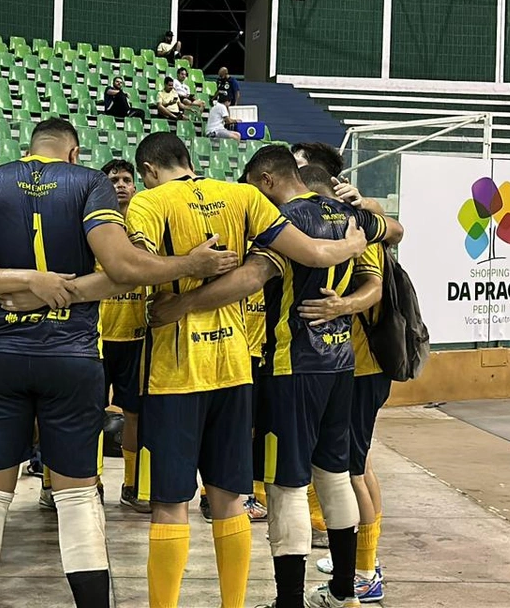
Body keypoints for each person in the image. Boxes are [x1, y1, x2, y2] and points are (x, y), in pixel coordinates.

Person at [0, 118, 240, 608]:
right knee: (77, 498)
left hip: (0, 357)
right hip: (72, 358)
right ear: (72, 153)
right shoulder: (90, 183)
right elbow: (124, 269)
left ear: (30, 148)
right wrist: (190, 265)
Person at [148, 144, 402, 608]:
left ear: (266, 180)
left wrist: (181, 304)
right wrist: (366, 214)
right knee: (335, 476)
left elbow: (249, 279)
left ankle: (288, 602)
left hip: (291, 366)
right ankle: (345, 592)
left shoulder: (290, 222)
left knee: (286, 487)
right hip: (341, 362)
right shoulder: (350, 216)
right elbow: (394, 233)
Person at [296, 164, 391, 605]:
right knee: (358, 464)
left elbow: (374, 285)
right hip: (345, 365)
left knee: (351, 470)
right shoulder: (349, 220)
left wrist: (341, 307)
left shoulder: (354, 223)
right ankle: (357, 562)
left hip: (357, 365)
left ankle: (365, 573)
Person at [96, 159, 149, 513]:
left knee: (135, 414)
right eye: (113, 179)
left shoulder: (146, 220)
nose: (120, 185)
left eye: (127, 179)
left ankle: (132, 484)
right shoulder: (92, 221)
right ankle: (89, 484)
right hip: (95, 336)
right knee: (87, 415)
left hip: (136, 337)